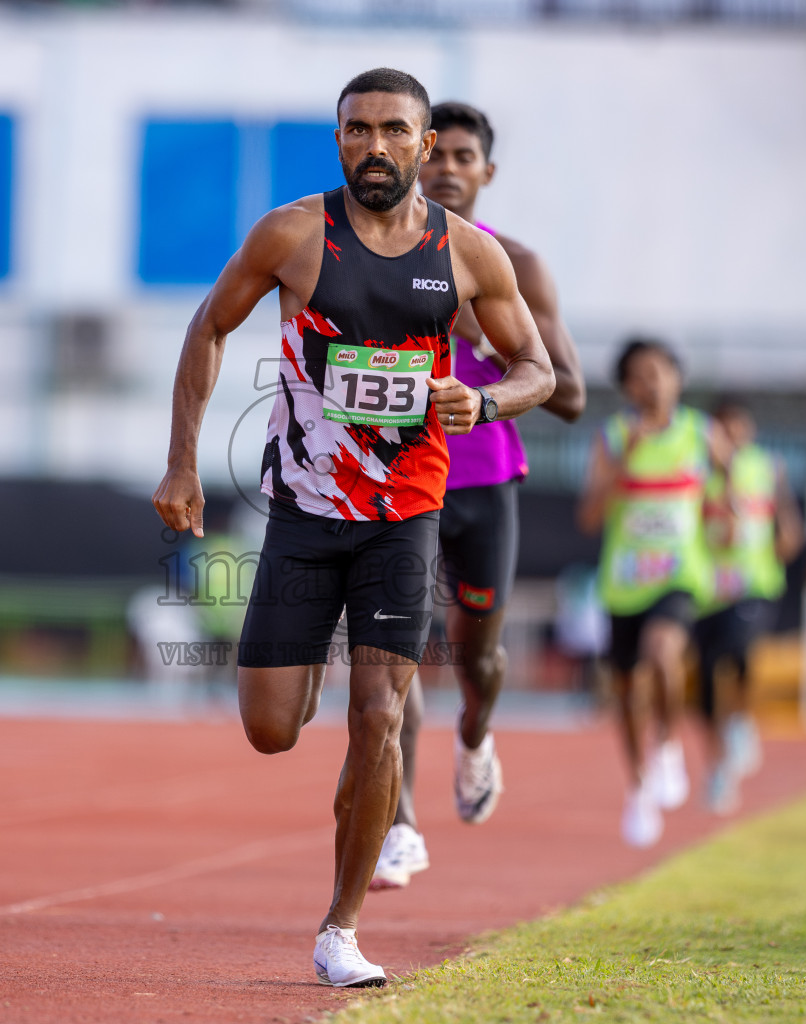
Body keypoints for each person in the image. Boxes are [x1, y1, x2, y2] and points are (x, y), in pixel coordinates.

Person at [151, 68, 553, 988]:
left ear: (423, 144)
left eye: (394, 131)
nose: (376, 147)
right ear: (340, 140)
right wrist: (181, 460)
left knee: (378, 719)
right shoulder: (294, 234)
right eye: (357, 130)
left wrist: (480, 401)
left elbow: (536, 370)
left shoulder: (467, 255)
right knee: (270, 731)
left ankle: (341, 929)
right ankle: (323, 707)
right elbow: (208, 329)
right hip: (303, 514)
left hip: (405, 515)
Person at [372, 101, 585, 891]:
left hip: (487, 478)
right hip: (401, 476)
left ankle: (476, 734)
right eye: (439, 155)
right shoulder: (377, 251)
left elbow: (571, 396)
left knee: (478, 657)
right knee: (394, 654)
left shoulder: (516, 265)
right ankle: (400, 823)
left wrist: (484, 341)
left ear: (486, 172)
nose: (449, 170)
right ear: (416, 161)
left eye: (466, 157)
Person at [577, 338, 729, 848]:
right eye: (640, 375)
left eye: (660, 372)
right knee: (626, 693)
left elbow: (726, 496)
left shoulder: (703, 434)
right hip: (625, 582)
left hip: (680, 574)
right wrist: (628, 461)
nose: (653, 383)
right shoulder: (614, 437)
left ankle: (666, 748)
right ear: (626, 387)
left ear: (677, 378)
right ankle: (639, 786)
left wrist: (724, 518)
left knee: (663, 653)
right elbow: (589, 517)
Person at [691, 398, 803, 814]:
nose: (731, 437)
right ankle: (717, 766)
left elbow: (786, 518)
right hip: (706, 587)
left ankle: (740, 723)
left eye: (738, 428)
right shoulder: (697, 471)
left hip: (754, 582)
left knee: (739, 653)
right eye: (723, 429)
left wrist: (788, 534)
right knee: (704, 679)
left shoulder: (766, 467)